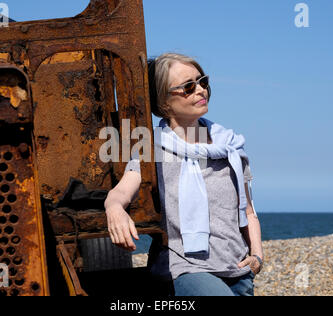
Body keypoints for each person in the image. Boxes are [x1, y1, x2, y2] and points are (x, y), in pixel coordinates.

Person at [104, 53, 263, 296]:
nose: (200, 90)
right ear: (163, 102)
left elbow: (248, 212)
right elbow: (120, 193)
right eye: (188, 87)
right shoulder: (154, 148)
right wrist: (114, 209)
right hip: (186, 269)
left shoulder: (229, 146)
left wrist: (257, 256)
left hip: (237, 271)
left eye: (203, 82)